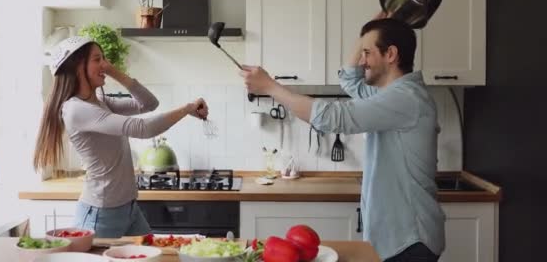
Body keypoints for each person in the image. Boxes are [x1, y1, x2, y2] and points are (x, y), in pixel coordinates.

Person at [240, 16, 445, 261]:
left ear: (390, 54)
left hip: (410, 240)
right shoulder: (389, 94)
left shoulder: (406, 98)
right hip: (399, 237)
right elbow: (350, 80)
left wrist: (270, 87)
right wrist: (372, 26)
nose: (361, 60)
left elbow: (333, 117)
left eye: (367, 52)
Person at [33, 36, 209, 238]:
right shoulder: (75, 109)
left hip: (129, 208)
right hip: (101, 214)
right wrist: (187, 109)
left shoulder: (100, 101)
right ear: (77, 66)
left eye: (104, 59)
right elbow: (143, 128)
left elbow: (149, 103)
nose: (104, 64)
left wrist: (112, 71)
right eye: (97, 59)